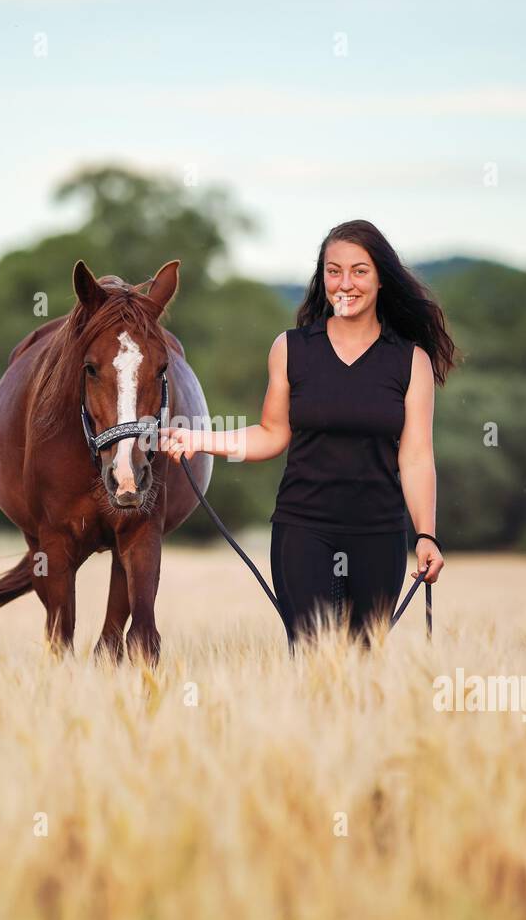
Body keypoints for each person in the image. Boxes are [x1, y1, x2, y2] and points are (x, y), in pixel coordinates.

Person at [160, 219, 457, 650]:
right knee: (311, 655)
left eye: (359, 270)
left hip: (379, 532)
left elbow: (416, 457)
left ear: (380, 278)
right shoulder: (291, 349)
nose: (345, 283)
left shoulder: (410, 362)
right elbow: (271, 434)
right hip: (303, 529)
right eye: (333, 271)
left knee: (362, 660)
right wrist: (200, 439)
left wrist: (426, 535)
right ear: (323, 278)